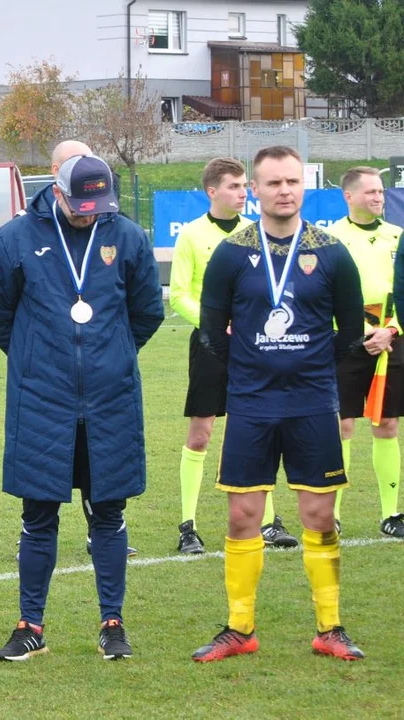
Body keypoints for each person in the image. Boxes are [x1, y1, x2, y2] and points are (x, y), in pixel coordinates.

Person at [0, 153, 164, 662]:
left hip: (111, 400)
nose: (90, 214)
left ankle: (112, 623)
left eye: (98, 205)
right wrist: (39, 360)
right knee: (38, 512)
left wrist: (111, 357)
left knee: (108, 511)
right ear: (56, 192)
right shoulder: (14, 239)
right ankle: (30, 625)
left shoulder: (125, 235)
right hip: (42, 400)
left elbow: (147, 313)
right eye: (81, 205)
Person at [193, 145, 366, 663]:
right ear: (256, 190)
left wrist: (310, 365)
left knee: (319, 514)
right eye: (272, 183)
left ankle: (330, 628)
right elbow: (210, 331)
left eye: (292, 182)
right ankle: (239, 628)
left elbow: (353, 333)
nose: (284, 191)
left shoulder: (331, 250)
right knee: (243, 514)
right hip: (251, 405)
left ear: (303, 187)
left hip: (313, 403)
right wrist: (249, 368)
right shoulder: (232, 253)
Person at [170, 159, 300, 553]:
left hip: (256, 345)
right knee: (201, 433)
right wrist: (215, 324)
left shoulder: (258, 232)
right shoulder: (191, 235)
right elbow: (178, 295)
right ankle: (187, 526)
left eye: (245, 186)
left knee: (260, 427)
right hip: (211, 345)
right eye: (234, 186)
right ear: (212, 191)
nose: (243, 192)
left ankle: (268, 523)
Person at [328, 167, 404, 538]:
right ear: (349, 196)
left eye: (380, 192)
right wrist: (362, 332)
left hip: (392, 338)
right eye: (371, 192)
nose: (378, 198)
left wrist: (390, 329)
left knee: (387, 424)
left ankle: (391, 514)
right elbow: (321, 296)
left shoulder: (398, 237)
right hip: (346, 341)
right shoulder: (329, 239)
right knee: (341, 426)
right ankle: (332, 514)